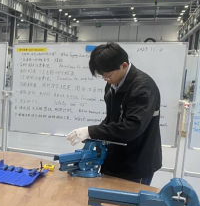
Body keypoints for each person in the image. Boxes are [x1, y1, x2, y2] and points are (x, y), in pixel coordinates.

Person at [66, 42, 162, 185]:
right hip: (115, 158)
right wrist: (94, 135)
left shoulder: (143, 88)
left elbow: (132, 127)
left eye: (108, 75)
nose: (106, 80)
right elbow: (113, 118)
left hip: (137, 162)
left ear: (124, 65)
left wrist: (91, 131)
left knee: (127, 199)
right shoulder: (113, 84)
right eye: (102, 76)